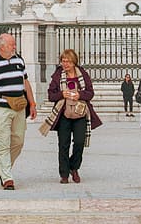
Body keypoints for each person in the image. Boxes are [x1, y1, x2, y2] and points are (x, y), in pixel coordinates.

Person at [0, 33, 37, 190]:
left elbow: (26, 83)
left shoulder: (19, 60)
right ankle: (7, 178)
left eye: (14, 44)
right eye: (12, 44)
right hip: (0, 107)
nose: (14, 47)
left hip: (19, 107)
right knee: (3, 143)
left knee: (18, 141)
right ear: (1, 46)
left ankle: (2, 169)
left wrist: (32, 103)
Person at [40, 49, 102, 184]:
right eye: (63, 61)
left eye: (68, 61)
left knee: (79, 142)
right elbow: (51, 95)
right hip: (63, 113)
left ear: (74, 62)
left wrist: (79, 95)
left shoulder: (83, 74)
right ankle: (64, 174)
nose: (65, 64)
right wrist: (62, 94)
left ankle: (74, 167)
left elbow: (90, 93)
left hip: (80, 113)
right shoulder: (58, 75)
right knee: (63, 144)